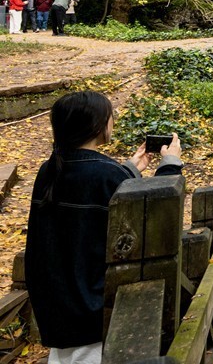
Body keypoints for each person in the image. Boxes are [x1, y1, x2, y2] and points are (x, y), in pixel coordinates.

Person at [25, 91, 183, 364]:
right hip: (95, 310)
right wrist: (170, 166)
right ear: (99, 125)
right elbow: (155, 220)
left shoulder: (48, 170)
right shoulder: (107, 174)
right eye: (111, 116)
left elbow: (91, 193)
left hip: (57, 308)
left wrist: (130, 171)